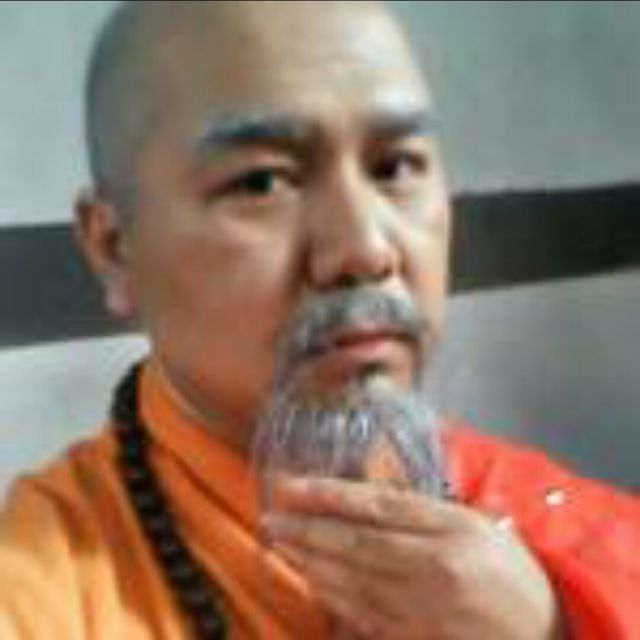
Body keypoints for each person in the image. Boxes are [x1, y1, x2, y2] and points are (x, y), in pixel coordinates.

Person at [1, 1, 638, 638]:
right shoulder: (39, 594)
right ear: (115, 248)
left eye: (394, 167)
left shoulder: (561, 533)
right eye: (261, 182)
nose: (365, 249)